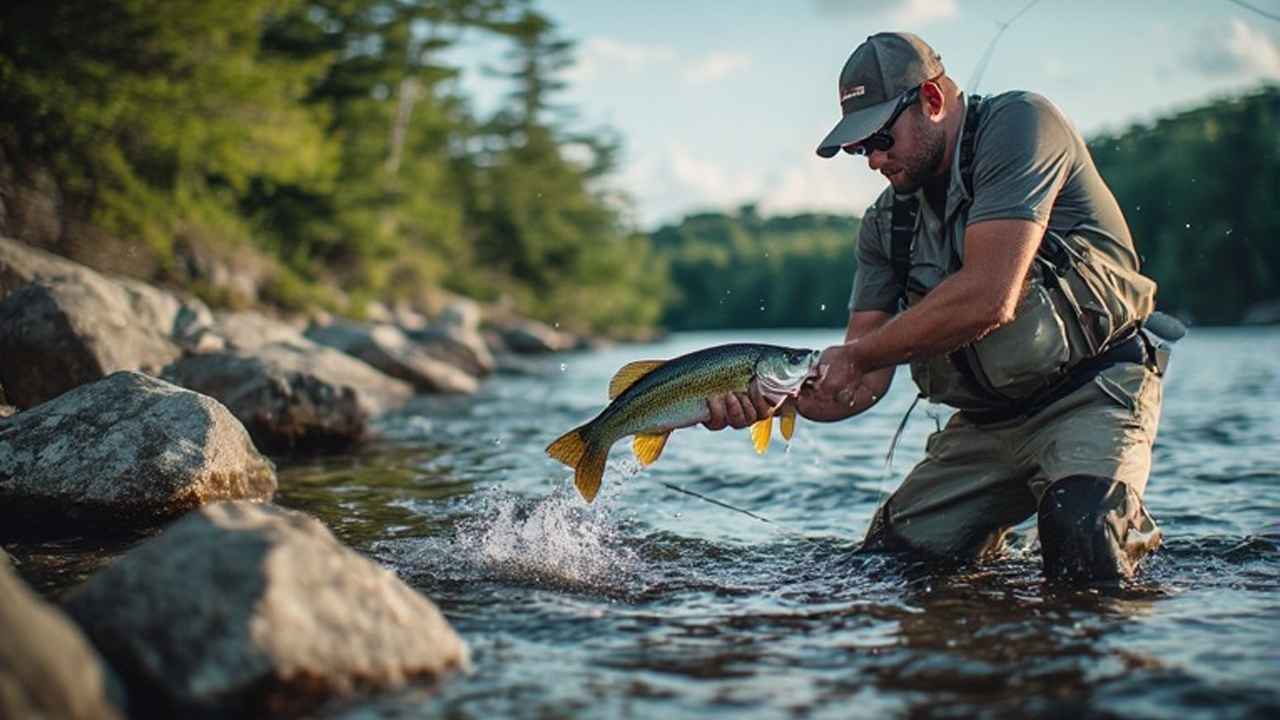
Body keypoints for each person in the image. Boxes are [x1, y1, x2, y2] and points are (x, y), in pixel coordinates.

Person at [704, 32, 1169, 583]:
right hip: (983, 427)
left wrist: (855, 358)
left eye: (879, 137)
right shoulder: (883, 225)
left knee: (1083, 541)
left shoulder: (1021, 125)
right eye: (858, 149)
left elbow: (987, 298)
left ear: (930, 99)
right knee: (886, 569)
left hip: (1091, 394)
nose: (873, 159)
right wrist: (786, 399)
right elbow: (861, 375)